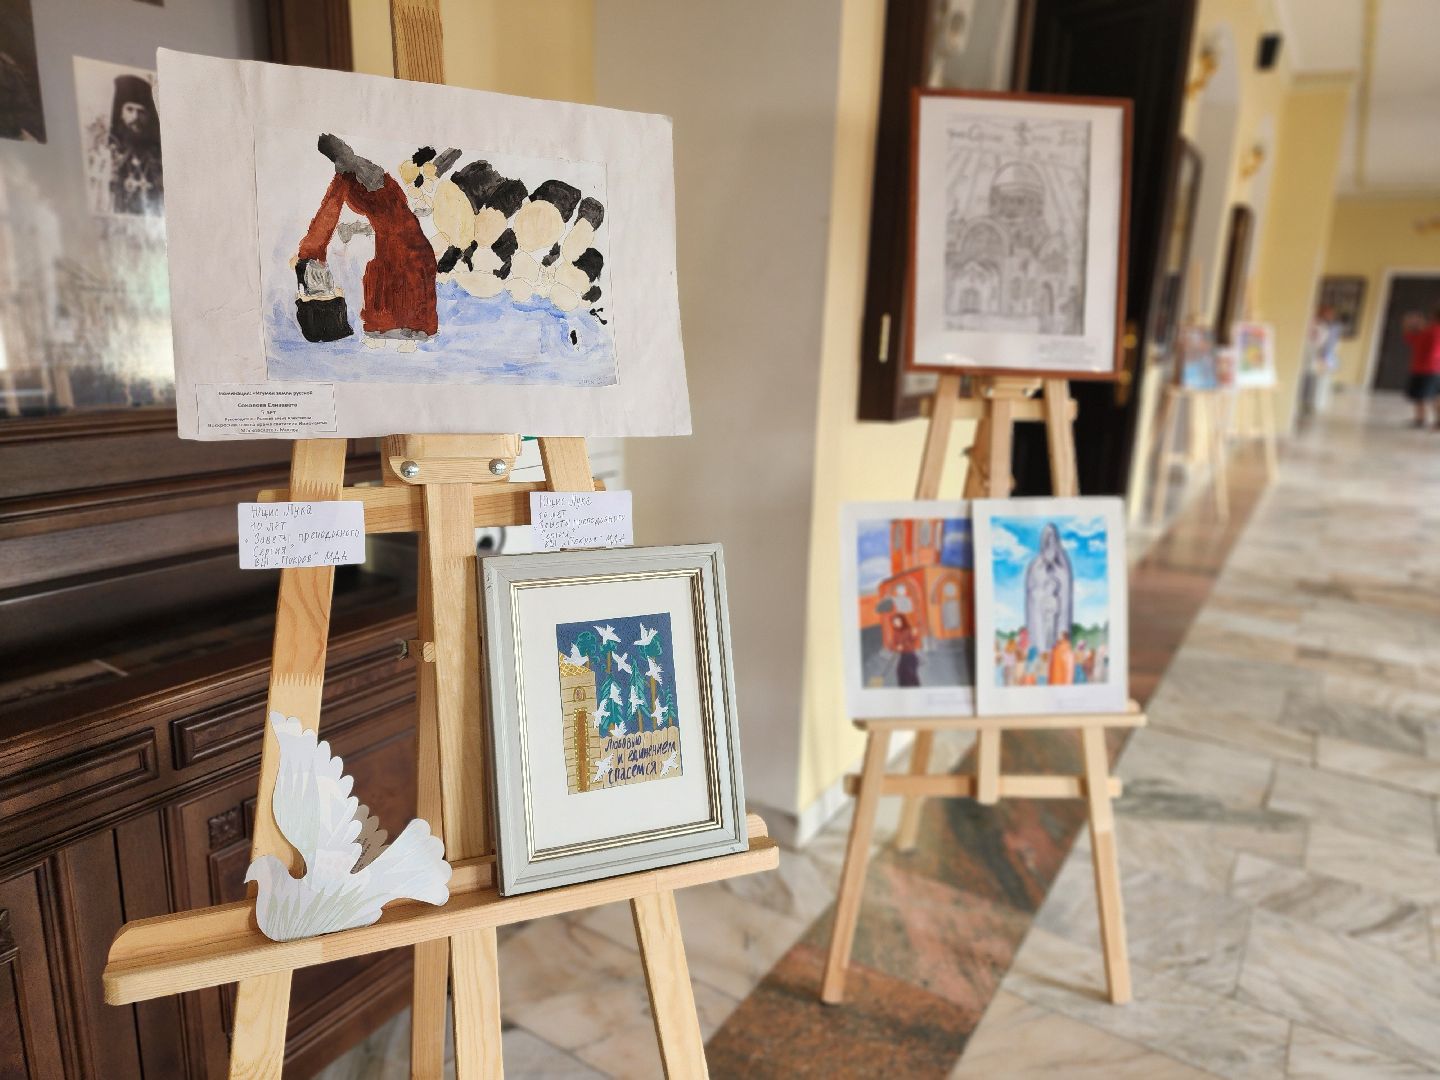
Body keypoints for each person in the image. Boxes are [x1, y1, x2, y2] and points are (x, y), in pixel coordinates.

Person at [296, 135, 438, 350]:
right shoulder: (375, 171)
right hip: (413, 241)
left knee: (390, 279)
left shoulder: (345, 178)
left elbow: (327, 217)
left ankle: (388, 335)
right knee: (400, 281)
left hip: (396, 244)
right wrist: (359, 228)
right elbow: (395, 213)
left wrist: (309, 252)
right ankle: (407, 337)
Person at [106, 74, 163, 215]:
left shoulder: (159, 155)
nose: (135, 117)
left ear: (149, 116)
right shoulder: (108, 151)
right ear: (120, 113)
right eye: (130, 109)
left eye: (141, 111)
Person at [1402, 308, 1440, 428]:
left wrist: (1409, 325)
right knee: (1426, 396)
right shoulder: (1429, 329)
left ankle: (1427, 421)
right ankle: (1421, 419)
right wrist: (1410, 326)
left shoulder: (1433, 330)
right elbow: (1412, 339)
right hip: (1427, 368)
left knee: (1428, 396)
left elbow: (1433, 349)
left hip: (1428, 369)